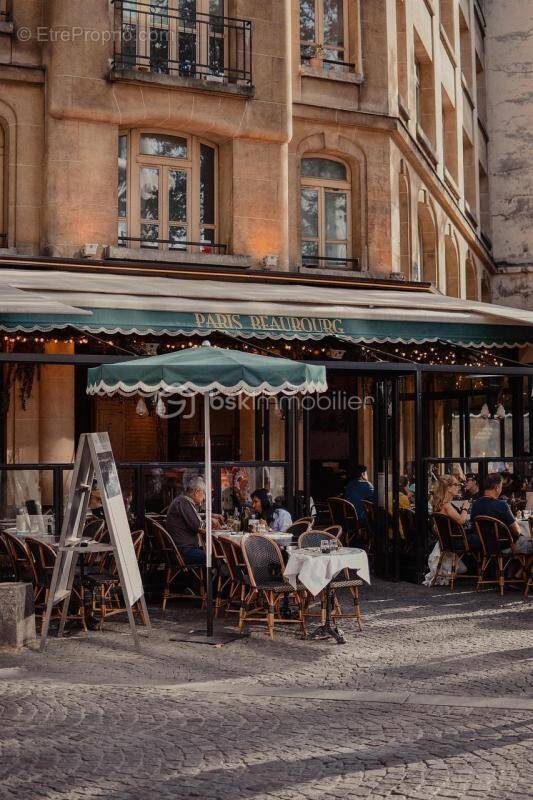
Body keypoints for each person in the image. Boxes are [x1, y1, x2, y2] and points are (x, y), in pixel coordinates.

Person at [471, 473, 532, 556]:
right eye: (501, 487)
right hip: (506, 546)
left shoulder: (476, 504)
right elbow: (517, 531)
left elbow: (473, 527)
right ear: (497, 488)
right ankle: (523, 569)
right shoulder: (501, 505)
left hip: (484, 546)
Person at [166, 476, 211, 564]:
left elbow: (194, 517)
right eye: (204, 493)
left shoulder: (182, 501)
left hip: (180, 548)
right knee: (215, 558)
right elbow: (198, 525)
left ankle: (213, 576)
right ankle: (217, 577)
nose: (204, 497)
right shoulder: (184, 503)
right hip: (184, 551)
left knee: (215, 554)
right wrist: (210, 521)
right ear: (196, 492)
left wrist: (211, 516)